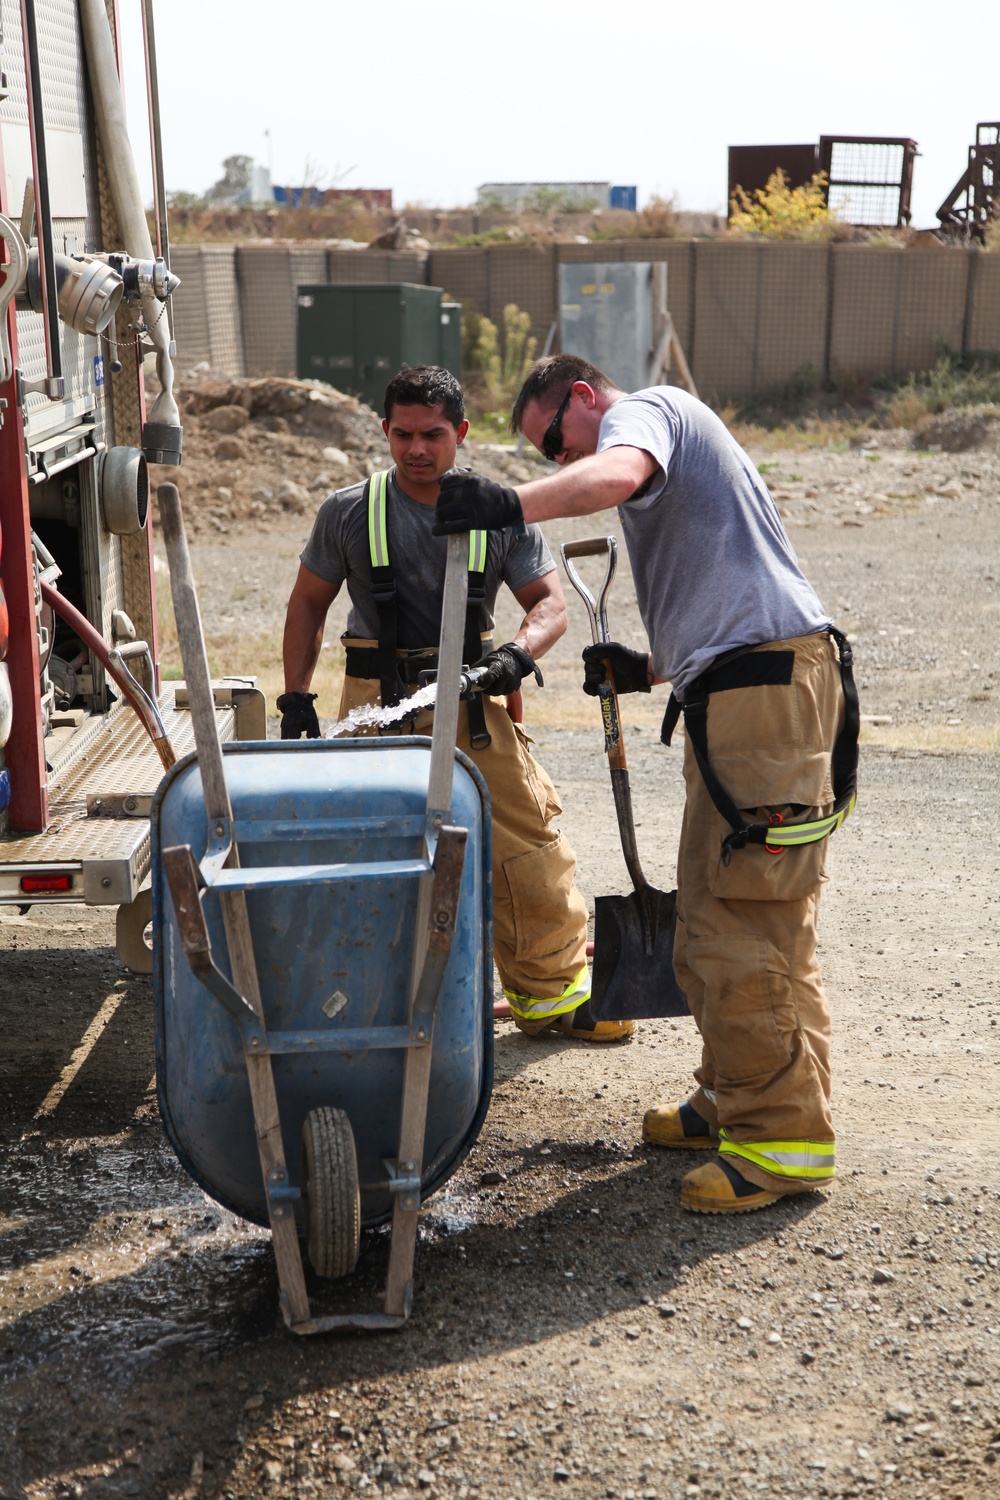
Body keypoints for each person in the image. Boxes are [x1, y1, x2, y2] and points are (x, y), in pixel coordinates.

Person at [433, 355, 859, 1216]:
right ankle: (735, 1098)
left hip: (764, 695)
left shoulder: (649, 415)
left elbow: (613, 471)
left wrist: (511, 501)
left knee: (743, 921)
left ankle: (780, 1142)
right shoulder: (668, 448)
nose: (561, 463)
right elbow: (730, 592)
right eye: (548, 457)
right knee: (722, 910)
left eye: (555, 440)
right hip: (743, 689)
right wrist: (650, 666)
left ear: (585, 398)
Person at [278, 364, 632, 1043]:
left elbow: (549, 604)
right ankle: (368, 1004)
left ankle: (552, 998)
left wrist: (517, 654)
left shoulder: (502, 510)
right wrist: (296, 697)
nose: (417, 449)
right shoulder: (348, 512)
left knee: (528, 848)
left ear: (460, 434)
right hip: (372, 707)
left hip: (473, 704)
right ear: (384, 431)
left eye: (432, 435)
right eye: (403, 434)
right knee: (366, 854)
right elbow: (308, 605)